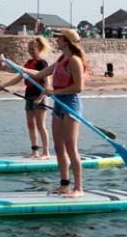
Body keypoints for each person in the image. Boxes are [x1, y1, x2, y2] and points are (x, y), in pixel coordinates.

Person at [18, 29, 89, 197]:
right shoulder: (60, 60)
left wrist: (55, 92)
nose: (56, 40)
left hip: (70, 104)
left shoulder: (74, 61)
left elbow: (79, 87)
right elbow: (40, 74)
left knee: (71, 147)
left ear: (66, 41)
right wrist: (18, 68)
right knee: (58, 147)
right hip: (58, 104)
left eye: (59, 37)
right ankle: (64, 185)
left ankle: (78, 188)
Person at [0, 36, 51, 159]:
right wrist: (4, 85)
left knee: (40, 125)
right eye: (29, 49)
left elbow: (47, 83)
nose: (31, 52)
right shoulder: (28, 63)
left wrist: (40, 98)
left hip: (40, 95)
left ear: (39, 49)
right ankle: (35, 152)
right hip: (29, 95)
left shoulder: (42, 63)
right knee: (30, 125)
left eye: (33, 49)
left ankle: (46, 153)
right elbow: (18, 78)